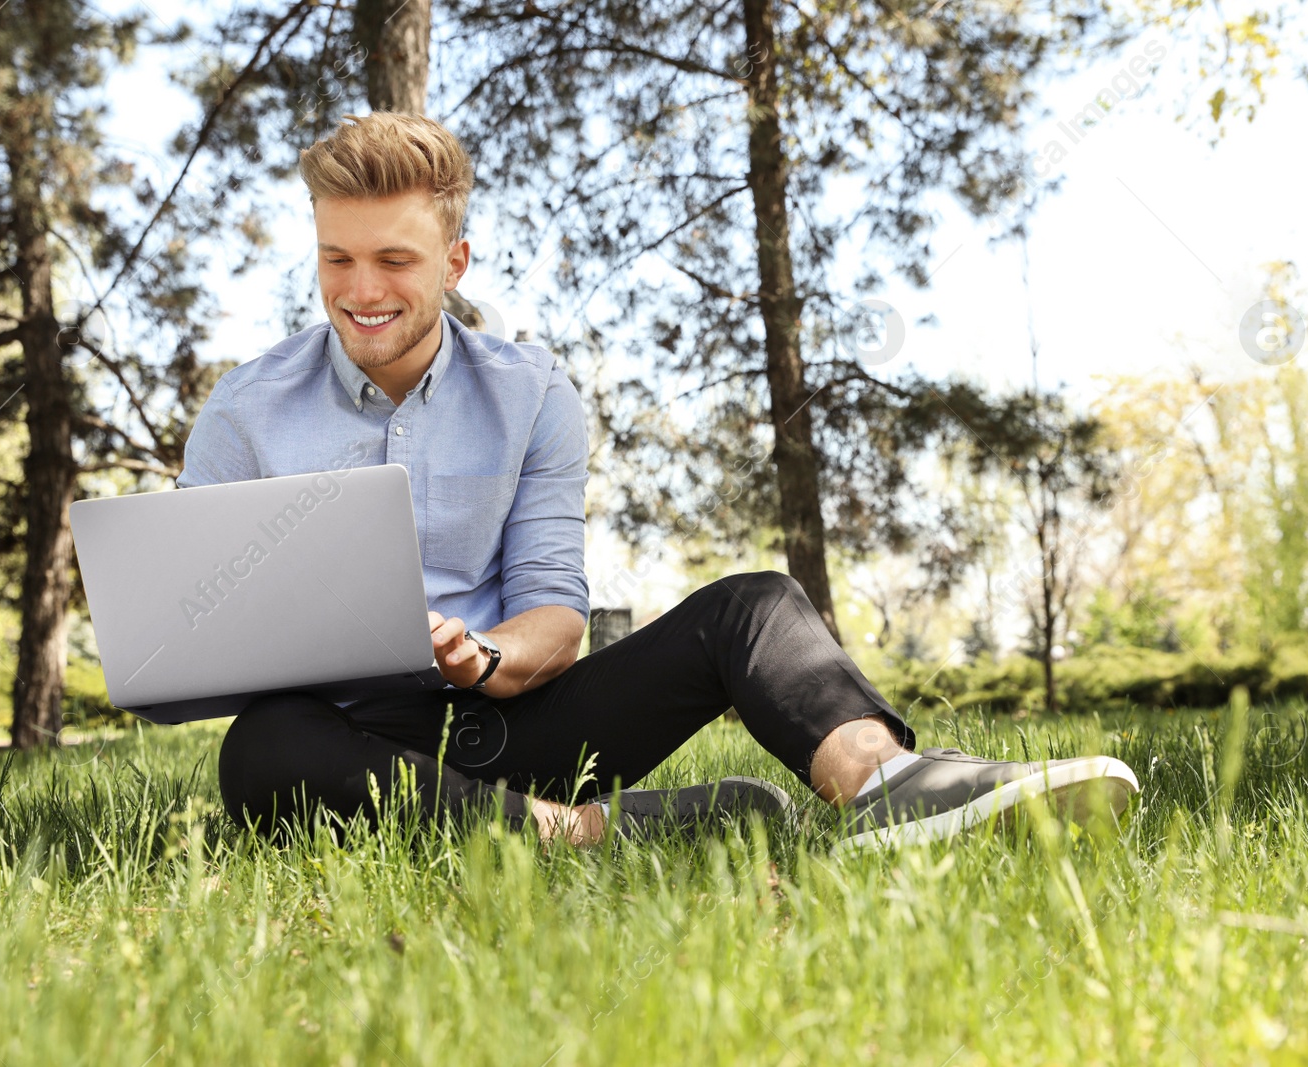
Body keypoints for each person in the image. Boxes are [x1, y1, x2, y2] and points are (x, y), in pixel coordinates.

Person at [177, 112, 1139, 851]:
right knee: (262, 747)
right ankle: (584, 832)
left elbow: (555, 611)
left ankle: (890, 785)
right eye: (336, 258)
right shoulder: (245, 408)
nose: (362, 289)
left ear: (455, 261)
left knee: (754, 604)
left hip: (515, 720)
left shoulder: (533, 393)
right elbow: (195, 628)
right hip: (355, 748)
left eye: (395, 258)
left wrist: (477, 653)